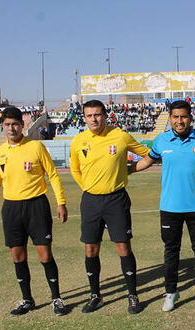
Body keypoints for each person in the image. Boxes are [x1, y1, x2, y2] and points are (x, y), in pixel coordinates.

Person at [0, 106, 69, 316]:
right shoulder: (0, 152)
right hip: (11, 208)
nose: (11, 128)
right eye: (7, 125)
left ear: (22, 125)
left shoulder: (36, 147)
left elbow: (53, 175)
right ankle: (27, 299)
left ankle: (56, 298)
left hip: (36, 206)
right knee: (17, 256)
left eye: (15, 124)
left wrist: (61, 202)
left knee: (44, 254)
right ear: (3, 126)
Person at [132, 100, 195, 314]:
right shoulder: (161, 141)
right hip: (170, 208)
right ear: (170, 119)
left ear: (190, 118)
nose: (180, 121)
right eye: (176, 117)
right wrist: (123, 170)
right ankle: (171, 292)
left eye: (184, 116)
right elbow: (145, 162)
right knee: (171, 252)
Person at [69, 99, 150, 315]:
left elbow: (148, 156)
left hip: (116, 199)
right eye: (89, 115)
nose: (94, 119)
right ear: (84, 118)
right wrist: (86, 186)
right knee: (90, 248)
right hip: (91, 201)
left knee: (123, 247)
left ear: (105, 115)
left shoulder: (120, 136)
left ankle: (133, 295)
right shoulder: (78, 141)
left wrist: (130, 170)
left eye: (97, 114)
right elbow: (75, 170)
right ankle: (95, 295)